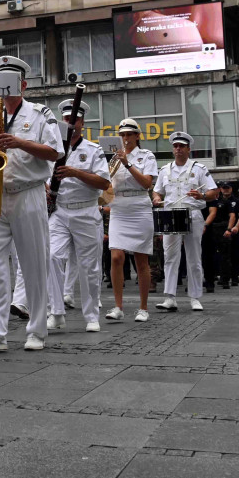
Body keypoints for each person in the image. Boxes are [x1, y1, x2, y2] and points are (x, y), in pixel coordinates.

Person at [0, 57, 61, 352]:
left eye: (11, 83)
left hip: (28, 193)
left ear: (23, 85)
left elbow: (54, 152)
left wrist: (18, 142)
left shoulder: (40, 113)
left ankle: (37, 330)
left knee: (34, 264)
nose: (4, 89)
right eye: (0, 83)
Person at [47, 99, 110, 332]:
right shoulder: (53, 149)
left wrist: (75, 172)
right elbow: (42, 177)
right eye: (66, 119)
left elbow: (103, 182)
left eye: (75, 120)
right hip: (60, 210)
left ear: (82, 123)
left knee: (89, 266)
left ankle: (91, 315)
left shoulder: (93, 150)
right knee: (52, 257)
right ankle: (56, 312)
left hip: (86, 210)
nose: (71, 123)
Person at [153, 132, 218, 312]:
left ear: (188, 149)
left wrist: (201, 195)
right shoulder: (165, 170)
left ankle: (195, 297)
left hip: (192, 213)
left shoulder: (199, 169)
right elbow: (157, 191)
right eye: (175, 146)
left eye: (182, 146)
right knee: (170, 257)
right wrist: (156, 198)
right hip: (171, 214)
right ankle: (170, 297)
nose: (178, 149)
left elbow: (214, 192)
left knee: (194, 256)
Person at [104, 119, 157, 324]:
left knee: (141, 259)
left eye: (129, 134)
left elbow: (146, 183)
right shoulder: (113, 158)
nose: (125, 138)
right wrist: (102, 202)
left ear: (137, 136)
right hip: (119, 207)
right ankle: (118, 306)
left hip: (139, 206)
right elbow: (108, 184)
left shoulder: (147, 155)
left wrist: (127, 163)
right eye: (122, 135)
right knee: (116, 256)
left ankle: (143, 307)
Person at [214, 182, 239, 288]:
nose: (226, 190)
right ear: (221, 189)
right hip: (221, 231)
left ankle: (235, 277)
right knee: (222, 255)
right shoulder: (217, 201)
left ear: (231, 189)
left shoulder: (237, 201)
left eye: (228, 188)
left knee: (234, 255)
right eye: (224, 188)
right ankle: (223, 276)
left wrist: (236, 227)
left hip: (234, 231)